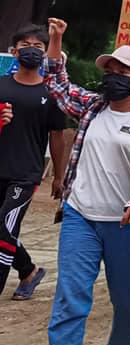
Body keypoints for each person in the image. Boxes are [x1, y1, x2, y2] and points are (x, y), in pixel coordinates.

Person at [39, 18, 130, 345]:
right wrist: (56, 40)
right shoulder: (91, 107)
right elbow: (56, 81)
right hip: (80, 217)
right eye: (110, 70)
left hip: (128, 225)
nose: (114, 77)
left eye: (123, 72)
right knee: (71, 297)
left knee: (127, 298)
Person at [0, 23, 67, 300]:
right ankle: (28, 270)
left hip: (25, 173)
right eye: (25, 46)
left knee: (4, 224)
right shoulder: (1, 85)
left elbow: (57, 137)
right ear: (14, 52)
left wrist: (60, 176)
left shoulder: (51, 93)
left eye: (38, 46)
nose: (31, 51)